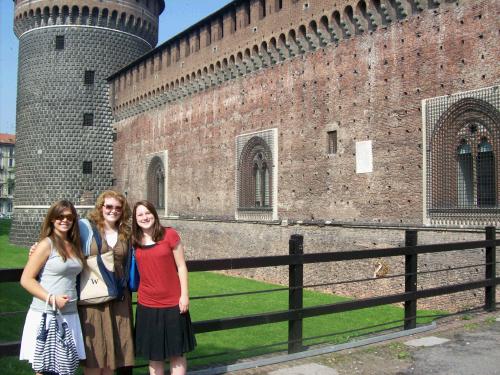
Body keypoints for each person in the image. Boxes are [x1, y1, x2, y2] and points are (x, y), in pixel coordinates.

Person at [20, 200, 86, 373]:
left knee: (65, 366)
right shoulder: (45, 245)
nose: (65, 220)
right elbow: (26, 279)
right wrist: (52, 298)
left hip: (70, 313)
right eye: (60, 216)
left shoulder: (74, 244)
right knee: (43, 367)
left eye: (69, 217)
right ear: (52, 219)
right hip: (46, 313)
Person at [132, 200, 196, 375]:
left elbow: (182, 266)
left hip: (173, 304)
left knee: (177, 353)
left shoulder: (170, 235)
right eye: (140, 214)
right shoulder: (134, 240)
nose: (145, 217)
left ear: (154, 214)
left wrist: (185, 295)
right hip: (147, 304)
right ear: (135, 219)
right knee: (155, 354)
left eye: (148, 213)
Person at [78, 190, 135, 375]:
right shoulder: (85, 229)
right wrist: (39, 247)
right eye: (109, 206)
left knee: (113, 355)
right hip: (94, 297)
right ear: (101, 207)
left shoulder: (126, 232)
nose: (113, 211)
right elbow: (61, 243)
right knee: (95, 352)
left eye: (118, 208)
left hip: (119, 297)